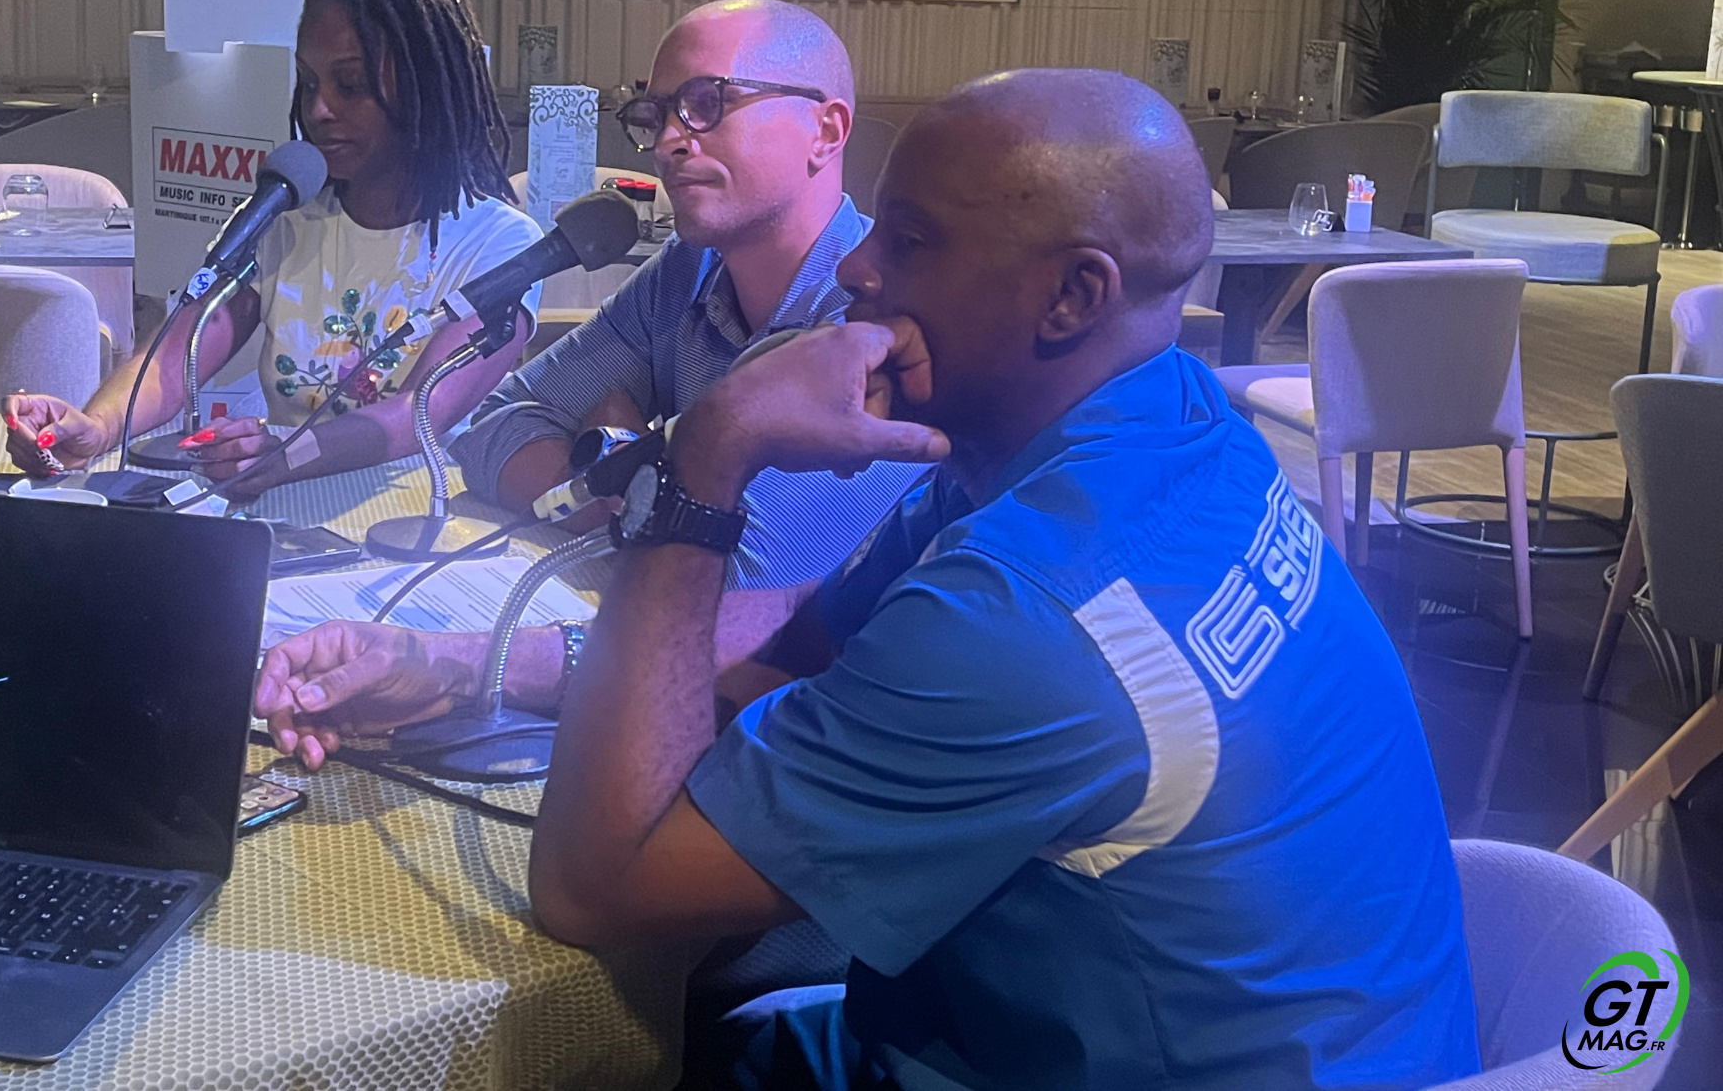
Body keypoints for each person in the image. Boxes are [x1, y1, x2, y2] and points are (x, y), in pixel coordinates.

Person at [262, 68, 1482, 1089]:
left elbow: (598, 883)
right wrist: (464, 670)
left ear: (1074, 295)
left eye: (910, 243)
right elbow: (805, 636)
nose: (856, 274)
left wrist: (707, 462)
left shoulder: (1031, 613)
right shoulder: (1160, 423)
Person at [255, 0, 927, 739]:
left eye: (708, 103)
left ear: (825, 131)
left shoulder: (880, 324)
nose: (669, 140)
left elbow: (738, 578)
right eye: (655, 114)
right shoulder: (688, 270)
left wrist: (624, 467)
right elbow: (491, 428)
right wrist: (639, 485)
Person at [3, 0, 542, 495]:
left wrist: (285, 454)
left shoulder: (503, 246)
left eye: (350, 85)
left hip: (423, 518)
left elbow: (418, 412)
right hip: (281, 513)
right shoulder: (286, 222)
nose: (319, 110)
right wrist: (96, 428)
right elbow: (175, 358)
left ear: (424, 87)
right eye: (309, 82)